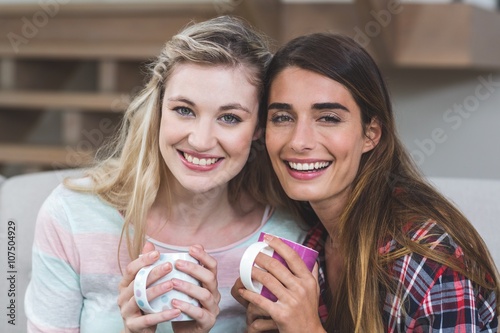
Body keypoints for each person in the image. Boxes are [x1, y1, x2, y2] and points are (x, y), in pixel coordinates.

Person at [24, 16, 308, 333]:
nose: (201, 141)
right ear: (159, 110)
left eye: (229, 117)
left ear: (257, 128)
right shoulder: (71, 215)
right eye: (184, 110)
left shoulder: (282, 245)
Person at [232, 33, 499, 332]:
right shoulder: (312, 241)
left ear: (371, 133)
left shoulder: (428, 261)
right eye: (282, 117)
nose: (299, 141)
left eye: (328, 118)